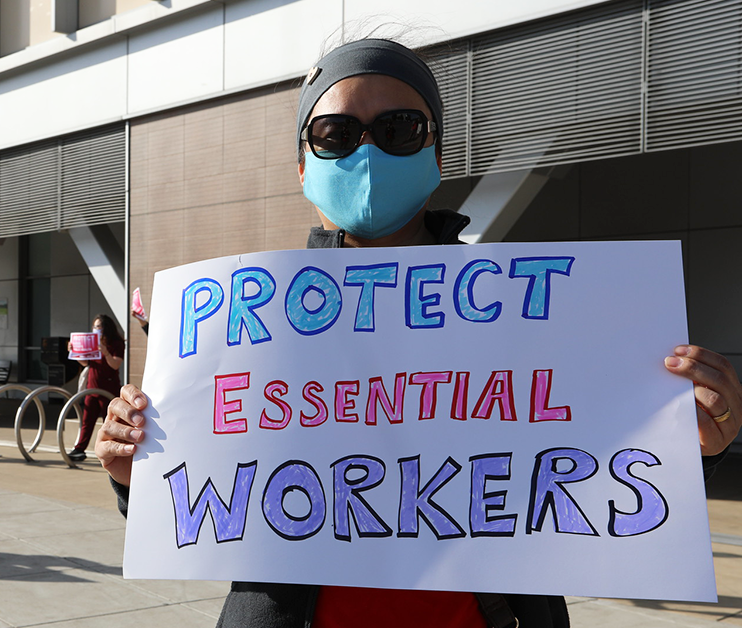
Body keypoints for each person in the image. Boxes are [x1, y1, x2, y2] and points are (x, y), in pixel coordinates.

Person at [94, 38, 742, 628]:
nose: (368, 151)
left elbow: (600, 475)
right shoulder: (244, 328)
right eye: (335, 133)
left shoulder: (532, 315)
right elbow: (204, 508)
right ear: (302, 164)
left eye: (399, 128)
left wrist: (687, 448)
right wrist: (134, 472)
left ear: (434, 149)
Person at [67, 314, 124, 462]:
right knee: (87, 420)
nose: (95, 329)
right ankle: (79, 449)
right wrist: (74, 351)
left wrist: (105, 352)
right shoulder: (92, 343)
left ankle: (112, 451)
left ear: (106, 328)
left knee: (109, 422)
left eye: (98, 326)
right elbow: (86, 363)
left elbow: (115, 364)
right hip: (92, 387)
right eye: (94, 326)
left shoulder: (116, 343)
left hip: (108, 389)